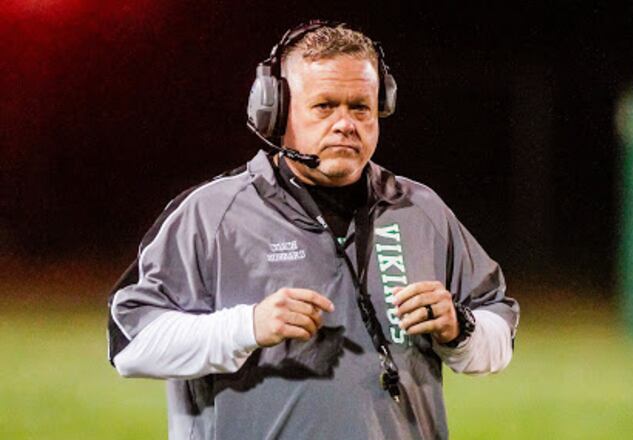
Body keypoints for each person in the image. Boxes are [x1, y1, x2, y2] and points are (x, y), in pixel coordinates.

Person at [107, 20, 519, 440]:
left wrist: (459, 328)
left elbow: (498, 331)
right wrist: (246, 327)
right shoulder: (211, 214)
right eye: (325, 106)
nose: (345, 123)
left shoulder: (420, 210)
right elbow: (130, 346)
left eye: (360, 107)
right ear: (275, 112)